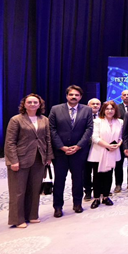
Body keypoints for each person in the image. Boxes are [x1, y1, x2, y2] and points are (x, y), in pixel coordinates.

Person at [5, 94, 53, 228]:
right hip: (20, 159)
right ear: (24, 104)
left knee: (34, 189)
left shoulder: (44, 119)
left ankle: (32, 215)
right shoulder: (16, 120)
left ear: (39, 104)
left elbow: (48, 139)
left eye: (35, 102)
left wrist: (49, 156)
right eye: (29, 102)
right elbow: (10, 142)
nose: (32, 104)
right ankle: (18, 219)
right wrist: (13, 161)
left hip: (39, 158)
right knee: (18, 191)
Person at [49, 85, 93, 217]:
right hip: (60, 152)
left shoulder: (87, 110)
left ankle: (77, 204)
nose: (74, 97)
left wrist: (78, 146)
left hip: (79, 152)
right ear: (67, 96)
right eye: (71, 94)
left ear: (81, 97)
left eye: (77, 95)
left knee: (78, 179)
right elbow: (52, 129)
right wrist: (61, 147)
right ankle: (57, 207)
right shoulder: (56, 109)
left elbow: (89, 129)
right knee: (59, 180)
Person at [89, 101, 123, 209]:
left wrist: (118, 144)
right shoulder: (97, 121)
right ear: (103, 110)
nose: (109, 111)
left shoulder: (120, 122)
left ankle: (106, 196)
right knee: (97, 176)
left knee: (109, 175)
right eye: (107, 109)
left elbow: (121, 137)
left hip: (113, 151)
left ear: (115, 110)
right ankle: (96, 198)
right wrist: (107, 145)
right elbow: (94, 137)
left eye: (112, 109)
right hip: (99, 151)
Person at [84, 98, 101, 201]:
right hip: (86, 146)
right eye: (93, 104)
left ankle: (99, 190)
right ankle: (87, 191)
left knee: (99, 170)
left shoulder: (103, 117)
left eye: (97, 104)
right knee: (86, 171)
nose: (95, 105)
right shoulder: (83, 116)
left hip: (99, 147)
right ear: (88, 105)